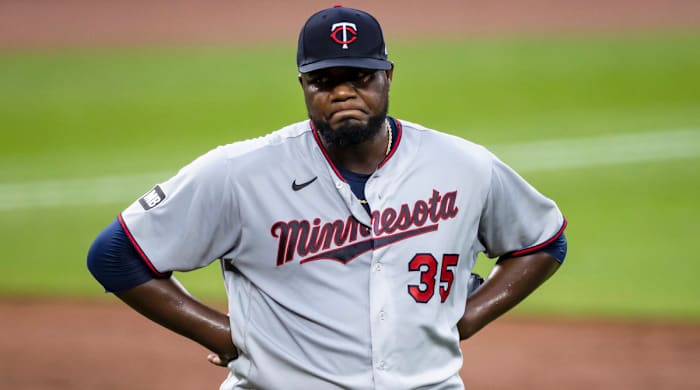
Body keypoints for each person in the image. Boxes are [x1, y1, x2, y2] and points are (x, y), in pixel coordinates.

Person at [87, 5, 567, 389]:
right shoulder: (240, 173)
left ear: (388, 76)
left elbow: (542, 241)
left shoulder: (463, 166)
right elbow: (115, 256)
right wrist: (229, 338)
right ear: (302, 85)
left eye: (359, 77)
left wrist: (467, 320)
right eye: (324, 81)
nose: (342, 93)